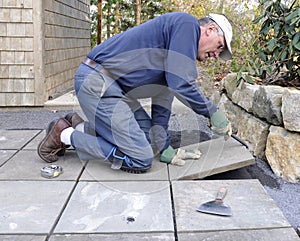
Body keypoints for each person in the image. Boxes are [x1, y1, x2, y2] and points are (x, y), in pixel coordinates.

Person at [38, 12, 233, 174]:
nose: (216, 55)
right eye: (220, 46)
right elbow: (181, 84)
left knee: (151, 139)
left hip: (115, 89)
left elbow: (164, 97)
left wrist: (165, 148)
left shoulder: (174, 53)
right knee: (140, 158)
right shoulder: (186, 24)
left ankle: (78, 126)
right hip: (98, 82)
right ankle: (64, 135)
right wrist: (213, 113)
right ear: (210, 30)